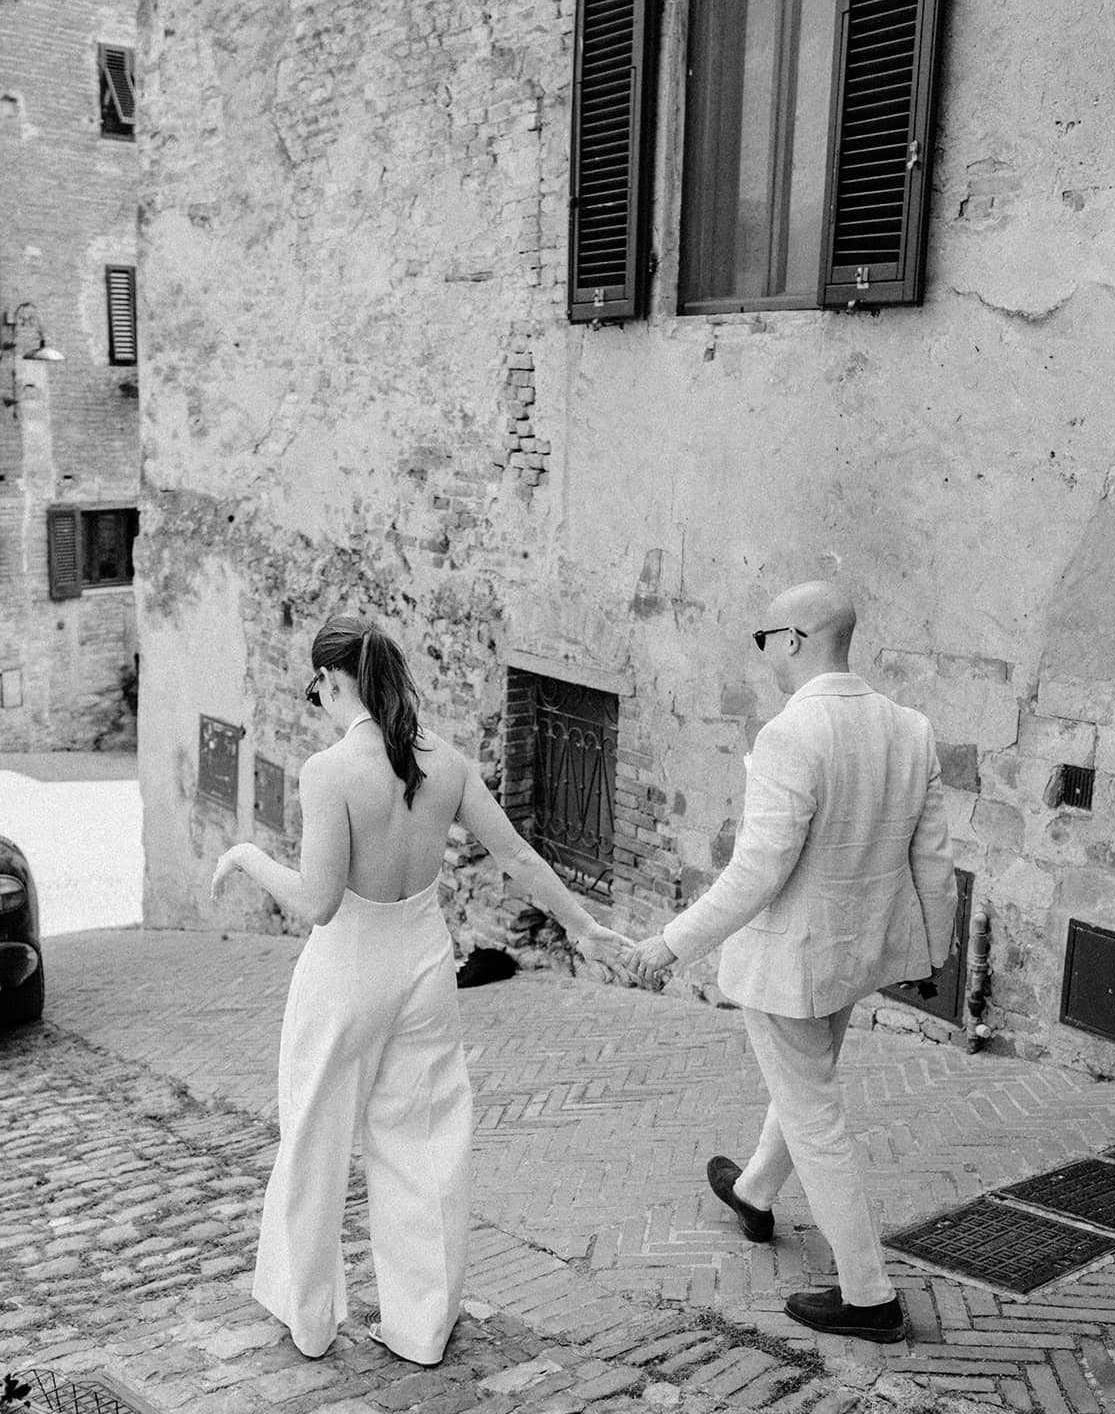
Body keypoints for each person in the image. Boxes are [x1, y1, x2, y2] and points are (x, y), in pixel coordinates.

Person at [213, 616, 628, 1365]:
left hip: (346, 971)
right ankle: (421, 1327)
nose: (322, 702)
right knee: (426, 1142)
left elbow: (317, 903)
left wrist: (246, 855)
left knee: (315, 1138)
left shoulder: (330, 771)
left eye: (320, 690)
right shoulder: (450, 764)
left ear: (336, 683)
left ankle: (310, 1319)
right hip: (425, 964)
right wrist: (582, 925)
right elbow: (518, 855)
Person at [628, 581, 955, 1344]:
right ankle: (753, 1193)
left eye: (765, 636)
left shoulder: (791, 734)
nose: (765, 652)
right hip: (854, 954)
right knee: (805, 1084)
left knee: (817, 1117)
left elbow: (756, 873)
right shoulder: (911, 728)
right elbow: (934, 860)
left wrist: (669, 943)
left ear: (798, 638)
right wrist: (929, 953)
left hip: (791, 966)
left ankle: (869, 1297)